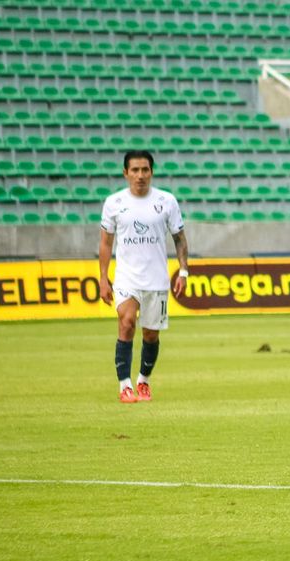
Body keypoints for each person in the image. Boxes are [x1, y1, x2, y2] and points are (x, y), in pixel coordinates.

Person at [98, 150, 188, 403]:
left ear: (152, 172)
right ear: (125, 173)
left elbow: (179, 238)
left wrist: (183, 271)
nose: (140, 175)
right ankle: (125, 386)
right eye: (135, 170)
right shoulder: (114, 203)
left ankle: (143, 380)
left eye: (145, 170)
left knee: (151, 334)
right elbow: (106, 243)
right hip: (127, 278)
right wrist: (103, 277)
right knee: (126, 323)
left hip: (157, 279)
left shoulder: (166, 201)